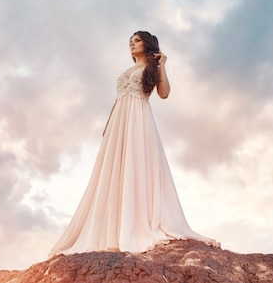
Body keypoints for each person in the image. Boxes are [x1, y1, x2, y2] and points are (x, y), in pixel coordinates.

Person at [49, 31, 218, 255]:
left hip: (138, 119)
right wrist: (109, 125)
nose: (132, 44)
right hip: (119, 121)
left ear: (147, 44)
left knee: (136, 165)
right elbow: (118, 99)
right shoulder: (127, 71)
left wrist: (163, 65)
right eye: (130, 41)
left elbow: (164, 94)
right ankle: (114, 227)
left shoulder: (151, 68)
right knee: (114, 171)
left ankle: (136, 225)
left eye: (137, 40)